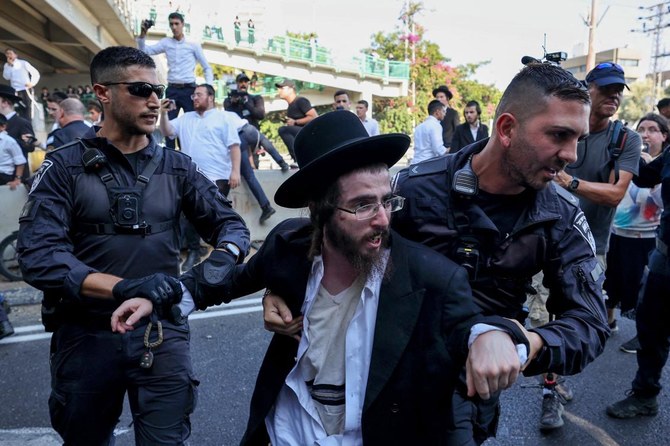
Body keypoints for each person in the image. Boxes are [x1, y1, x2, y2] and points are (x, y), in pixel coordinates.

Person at [114, 111, 529, 445]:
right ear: (320, 210)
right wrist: (160, 297)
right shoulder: (289, 247)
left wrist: (493, 335)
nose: (383, 219)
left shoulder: (432, 277)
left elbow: (470, 336)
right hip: (289, 431)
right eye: (363, 205)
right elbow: (221, 282)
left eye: (387, 201)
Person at [264, 62, 609, 444]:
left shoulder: (560, 216)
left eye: (579, 138)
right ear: (508, 128)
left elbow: (591, 323)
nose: (572, 155)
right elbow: (339, 235)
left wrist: (520, 341)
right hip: (386, 385)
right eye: (559, 135)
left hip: (466, 399)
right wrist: (283, 286)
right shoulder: (415, 188)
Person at [16, 46, 249, 445]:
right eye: (141, 89)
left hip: (160, 332)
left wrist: (199, 277)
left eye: (159, 91)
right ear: (102, 93)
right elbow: (38, 255)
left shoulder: (178, 167)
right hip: (86, 335)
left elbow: (232, 228)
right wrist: (121, 286)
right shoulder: (63, 166)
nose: (156, 100)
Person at [560, 62, 642, 332]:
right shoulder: (562, 127)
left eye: (618, 90)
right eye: (606, 89)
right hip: (546, 237)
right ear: (588, 89)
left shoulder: (625, 139)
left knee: (580, 322)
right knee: (539, 314)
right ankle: (546, 373)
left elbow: (615, 194)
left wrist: (567, 180)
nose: (614, 96)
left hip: (592, 246)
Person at [605, 112, 670, 420]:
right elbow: (645, 176)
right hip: (663, 257)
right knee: (650, 327)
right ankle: (645, 394)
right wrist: (623, 149)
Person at [159, 83, 242, 271]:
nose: (194, 98)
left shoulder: (223, 118)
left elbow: (234, 146)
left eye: (198, 94)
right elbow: (167, 132)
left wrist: (235, 171)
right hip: (191, 177)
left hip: (218, 176)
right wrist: (163, 114)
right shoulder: (185, 118)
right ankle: (194, 252)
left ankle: (225, 254)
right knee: (187, 216)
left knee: (217, 216)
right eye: (193, 95)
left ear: (210, 97)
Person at [136, 11, 214, 149]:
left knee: (191, 124)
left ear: (182, 25)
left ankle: (190, 158)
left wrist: (208, 87)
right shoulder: (166, 42)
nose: (174, 27)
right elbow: (145, 51)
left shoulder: (193, 44)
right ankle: (170, 160)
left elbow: (207, 67)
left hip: (189, 89)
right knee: (169, 124)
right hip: (172, 90)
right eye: (171, 24)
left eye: (177, 24)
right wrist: (143, 33)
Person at [224, 72, 290, 171]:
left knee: (255, 167)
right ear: (237, 83)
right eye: (241, 81)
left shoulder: (255, 98)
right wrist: (234, 103)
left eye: (245, 81)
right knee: (245, 170)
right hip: (238, 139)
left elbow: (260, 115)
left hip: (254, 138)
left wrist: (246, 103)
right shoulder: (229, 101)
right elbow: (229, 117)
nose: (243, 84)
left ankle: (281, 163)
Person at [276, 78, 317, 163]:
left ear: (291, 89)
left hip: (311, 134)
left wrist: (295, 122)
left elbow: (314, 117)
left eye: (282, 88)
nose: (279, 90)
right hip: (303, 137)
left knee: (283, 130)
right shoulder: (290, 107)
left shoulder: (300, 101)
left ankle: (297, 159)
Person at [0, 84, 37, 179]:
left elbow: (30, 147)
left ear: (5, 102)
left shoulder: (22, 123)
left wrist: (8, 139)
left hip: (15, 178)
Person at [3, 48, 40, 120]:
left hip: (25, 89)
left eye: (10, 53)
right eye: (7, 54)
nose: (9, 55)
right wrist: (10, 66)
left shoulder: (23, 63)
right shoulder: (6, 65)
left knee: (27, 109)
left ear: (15, 55)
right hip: (15, 90)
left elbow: (35, 73)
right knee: (16, 108)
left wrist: (32, 83)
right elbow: (6, 77)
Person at [411, 99, 447, 164]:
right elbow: (439, 150)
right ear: (437, 112)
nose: (445, 114)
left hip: (415, 164)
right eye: (443, 111)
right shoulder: (436, 125)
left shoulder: (419, 126)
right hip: (428, 165)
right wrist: (451, 149)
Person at [0, 114, 26, 189]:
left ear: (3, 126)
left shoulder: (9, 141)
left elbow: (20, 161)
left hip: (4, 175)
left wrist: (17, 179)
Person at [432, 84, 460, 149]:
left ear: (447, 98)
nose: (439, 99)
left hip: (448, 149)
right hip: (434, 149)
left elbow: (457, 132)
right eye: (437, 97)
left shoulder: (453, 113)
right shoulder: (433, 113)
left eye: (441, 97)